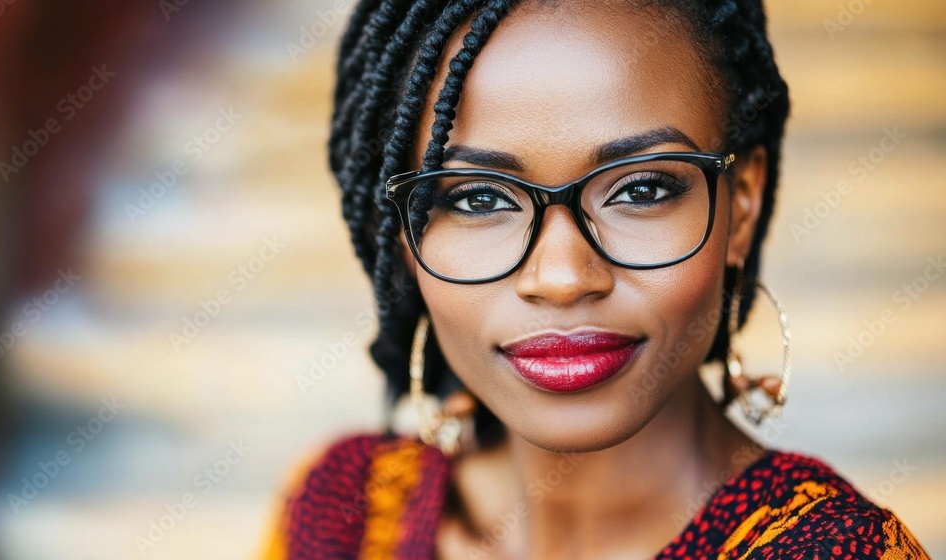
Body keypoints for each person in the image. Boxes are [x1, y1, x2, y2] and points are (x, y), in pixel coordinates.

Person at [263, 0, 931, 558]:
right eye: (478, 198)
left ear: (742, 206)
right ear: (403, 235)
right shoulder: (343, 514)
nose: (562, 278)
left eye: (641, 189)